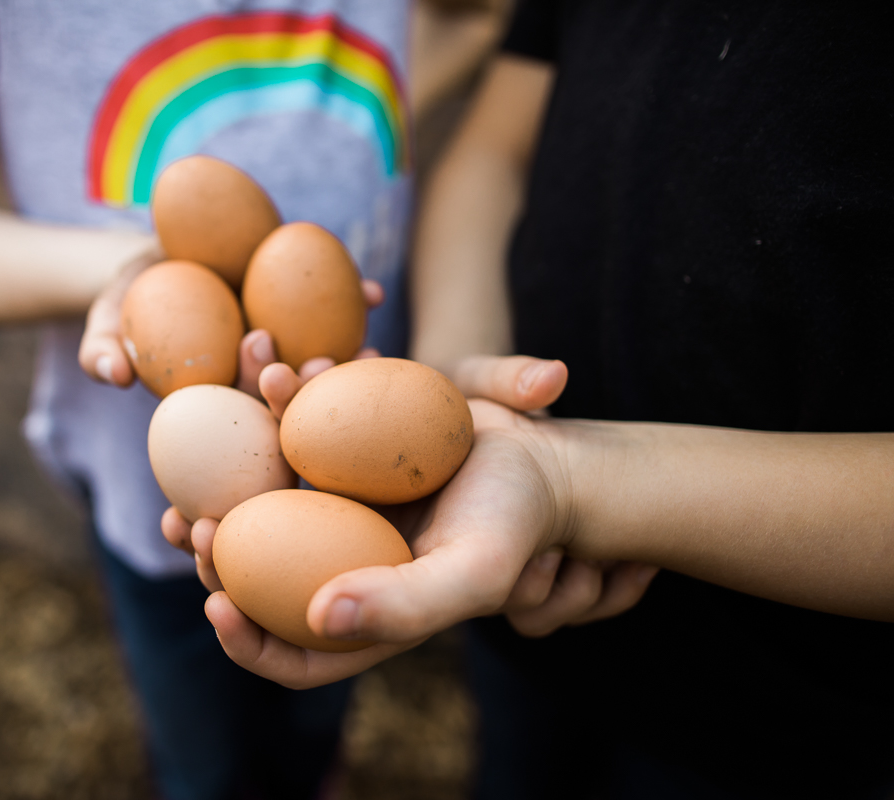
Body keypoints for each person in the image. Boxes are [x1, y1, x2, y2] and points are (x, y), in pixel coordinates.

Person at [171, 2, 894, 797]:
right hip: (514, 579)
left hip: (792, 701)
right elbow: (492, 152)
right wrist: (449, 372)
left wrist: (574, 484)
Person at [0, 2, 554, 798]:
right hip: (156, 476)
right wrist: (138, 271)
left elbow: (442, 38)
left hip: (359, 450)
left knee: (321, 692)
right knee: (204, 740)